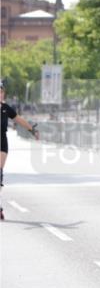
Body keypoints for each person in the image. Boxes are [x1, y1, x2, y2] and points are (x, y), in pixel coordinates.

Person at [1, 79, 40, 221]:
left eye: (1, 92)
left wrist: (32, 130)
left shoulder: (6, 108)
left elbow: (19, 120)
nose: (0, 94)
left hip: (1, 142)